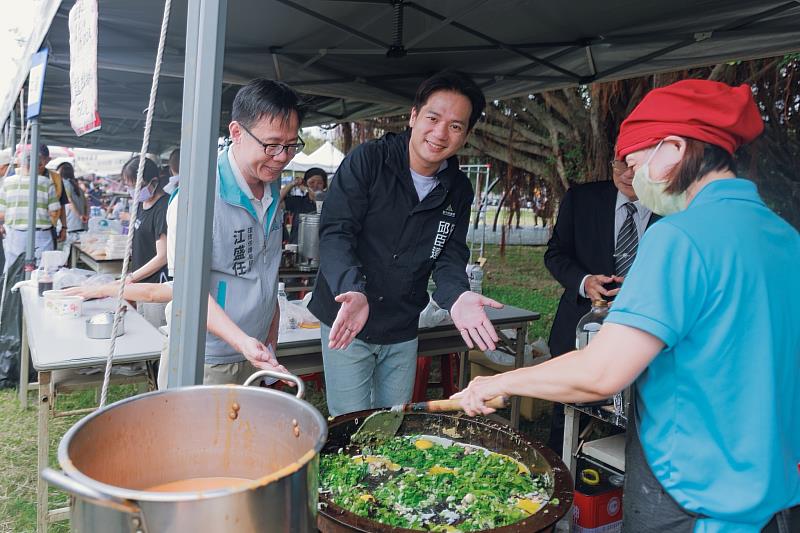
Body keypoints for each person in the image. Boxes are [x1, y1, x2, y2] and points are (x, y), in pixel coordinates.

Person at [452, 79, 799, 532]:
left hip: (689, 492)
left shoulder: (679, 236)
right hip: (773, 489)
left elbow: (601, 374)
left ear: (673, 148)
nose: (634, 178)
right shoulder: (785, 237)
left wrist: (501, 383)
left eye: (636, 164)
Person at [308, 70, 503, 417]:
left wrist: (456, 294)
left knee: (393, 423)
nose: (440, 133)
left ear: (466, 134)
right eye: (433, 118)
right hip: (349, 316)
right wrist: (351, 289)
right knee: (351, 424)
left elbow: (449, 252)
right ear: (414, 116)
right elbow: (337, 232)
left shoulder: (457, 188)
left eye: (456, 126)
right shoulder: (369, 161)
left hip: (402, 322)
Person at [167, 78, 305, 385]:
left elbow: (265, 273)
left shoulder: (270, 189)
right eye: (271, 145)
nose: (282, 156)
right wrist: (241, 341)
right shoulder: (199, 197)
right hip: (206, 357)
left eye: (291, 145)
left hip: (256, 352)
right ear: (236, 133)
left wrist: (269, 338)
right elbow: (188, 294)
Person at [543, 154, 658, 452]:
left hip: (644, 332)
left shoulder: (672, 209)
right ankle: (565, 478)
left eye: (637, 167)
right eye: (620, 163)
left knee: (638, 415)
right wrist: (584, 282)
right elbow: (555, 253)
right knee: (566, 412)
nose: (628, 174)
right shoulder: (582, 199)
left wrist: (641, 290)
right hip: (580, 323)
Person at [63, 281, 290, 389]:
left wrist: (101, 289)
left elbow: (152, 293)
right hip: (232, 359)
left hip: (214, 361)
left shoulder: (196, 272)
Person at [0, 145, 61, 273]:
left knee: (13, 271)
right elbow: (55, 211)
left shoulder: (7, 182)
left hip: (15, 235)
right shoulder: (46, 182)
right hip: (41, 235)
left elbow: (1, 213)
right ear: (38, 165)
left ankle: (13, 293)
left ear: (20, 165)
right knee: (43, 272)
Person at [122, 156, 170, 284]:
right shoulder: (140, 203)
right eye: (130, 187)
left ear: (153, 182)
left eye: (136, 186)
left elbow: (163, 256)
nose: (133, 191)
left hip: (156, 284)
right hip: (140, 280)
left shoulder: (163, 207)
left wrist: (131, 277)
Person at [279, 166, 327, 243]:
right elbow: (277, 201)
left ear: (324, 185)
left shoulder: (329, 203)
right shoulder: (298, 201)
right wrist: (292, 183)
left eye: (320, 183)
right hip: (297, 248)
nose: (315, 185)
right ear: (306, 184)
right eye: (312, 182)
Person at [57, 162, 89, 243]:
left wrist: (80, 216)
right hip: (82, 226)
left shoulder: (65, 184)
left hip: (71, 226)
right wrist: (85, 216)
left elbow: (70, 202)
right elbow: (87, 204)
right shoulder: (77, 186)